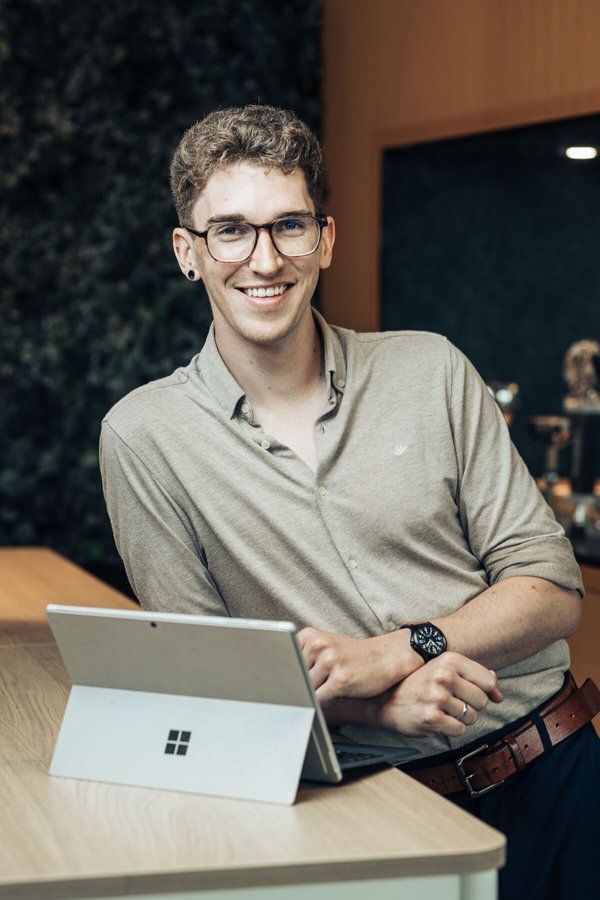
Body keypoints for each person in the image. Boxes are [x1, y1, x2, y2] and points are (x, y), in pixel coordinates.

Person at [100, 104, 599, 900]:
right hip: (368, 821)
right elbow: (209, 691)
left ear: (325, 240)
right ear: (187, 254)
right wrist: (377, 708)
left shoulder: (430, 370)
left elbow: (551, 586)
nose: (264, 258)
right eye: (230, 230)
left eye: (289, 225)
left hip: (560, 777)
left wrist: (400, 649)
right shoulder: (144, 437)